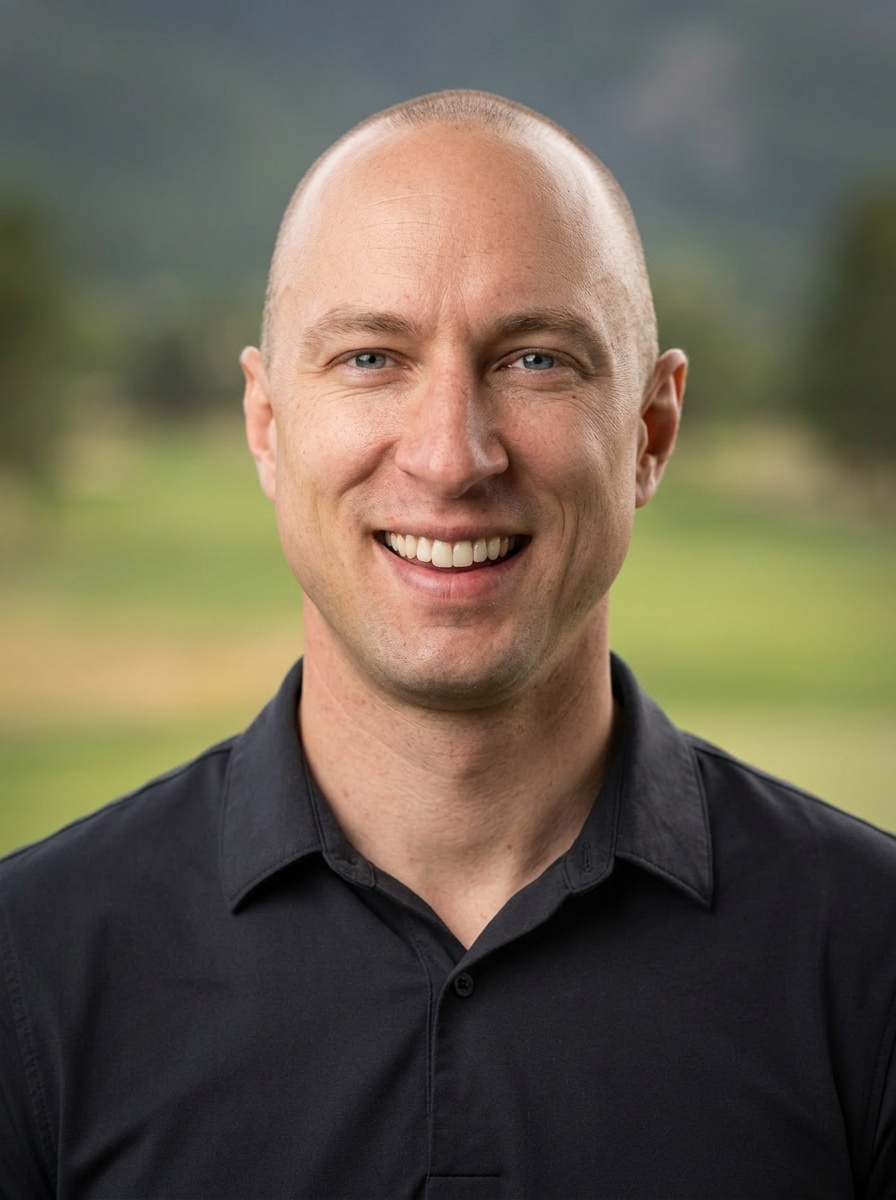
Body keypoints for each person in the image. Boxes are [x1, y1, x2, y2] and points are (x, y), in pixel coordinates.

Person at [1, 90, 894, 1200]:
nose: (449, 456)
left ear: (650, 433)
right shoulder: (27, 969)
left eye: (533, 362)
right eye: (372, 358)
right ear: (267, 425)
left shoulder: (870, 959)